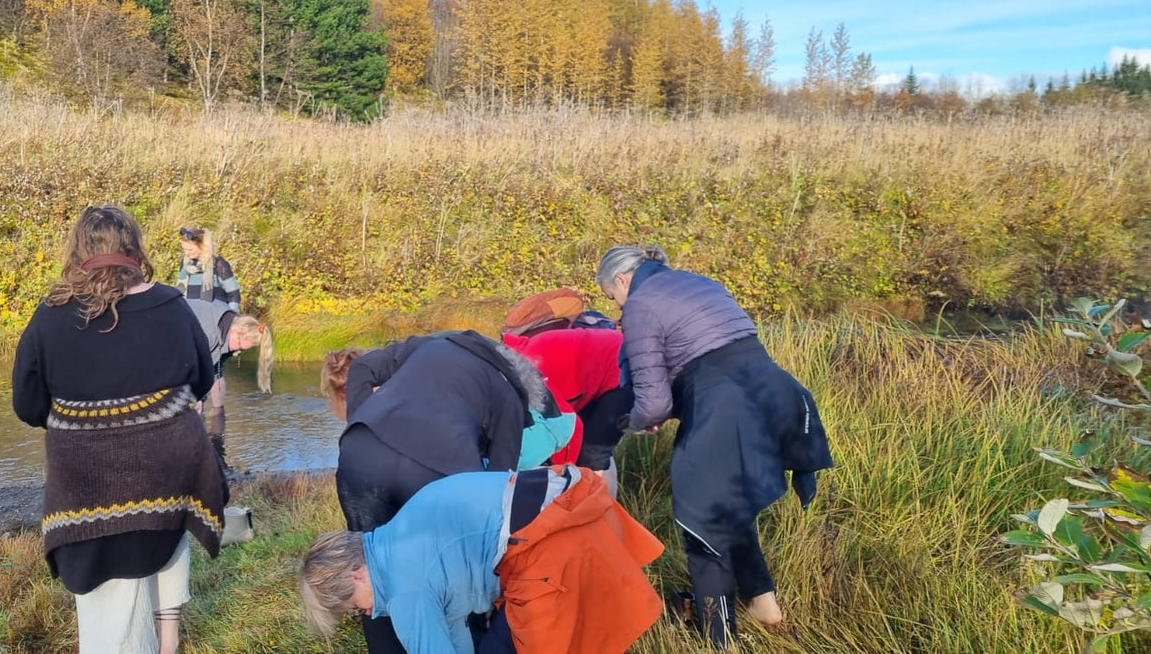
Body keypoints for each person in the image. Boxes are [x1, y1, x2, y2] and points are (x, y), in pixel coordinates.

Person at [11, 205, 229, 654]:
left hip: (89, 495)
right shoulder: (171, 304)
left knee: (110, 616)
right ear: (135, 249)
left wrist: (89, 415)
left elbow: (28, 406)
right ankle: (167, 638)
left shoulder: (51, 316)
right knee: (169, 475)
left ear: (78, 250)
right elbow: (204, 381)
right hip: (167, 485)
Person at [597, 245, 834, 648]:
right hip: (777, 394)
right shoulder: (702, 282)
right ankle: (764, 605)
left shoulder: (641, 303)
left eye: (612, 297)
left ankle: (719, 635)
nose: (619, 307)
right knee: (731, 504)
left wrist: (634, 422)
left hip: (728, 411)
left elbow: (654, 402)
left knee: (702, 520)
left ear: (622, 280)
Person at [319, 331, 574, 654]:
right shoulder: (510, 393)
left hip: (362, 454)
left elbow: (361, 368)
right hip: (436, 470)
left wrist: (364, 421)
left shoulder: (437, 342)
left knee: (371, 567)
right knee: (450, 570)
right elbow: (496, 484)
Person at [299, 466, 663, 654]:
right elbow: (453, 630)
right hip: (580, 510)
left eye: (351, 605)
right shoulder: (401, 534)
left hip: (554, 546)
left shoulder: (403, 589)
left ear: (356, 572)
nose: (363, 614)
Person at [500, 328, 633, 497]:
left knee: (594, 452)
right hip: (597, 365)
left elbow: (569, 429)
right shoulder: (513, 370)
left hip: (622, 369)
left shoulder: (529, 379)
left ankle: (602, 512)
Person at [176, 227, 240, 312]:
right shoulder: (185, 264)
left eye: (190, 249)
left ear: (202, 245)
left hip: (215, 318)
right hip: (190, 317)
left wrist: (232, 319)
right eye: (185, 250)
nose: (187, 253)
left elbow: (234, 294)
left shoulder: (218, 264)